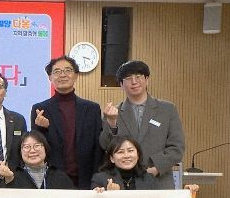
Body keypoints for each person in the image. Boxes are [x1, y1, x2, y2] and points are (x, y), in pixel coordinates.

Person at [100, 60, 185, 190]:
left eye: (138, 76)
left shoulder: (167, 109)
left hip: (159, 182)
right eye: (128, 78)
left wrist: (156, 168)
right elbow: (105, 146)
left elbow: (177, 147)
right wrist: (111, 123)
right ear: (121, 84)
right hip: (124, 183)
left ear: (147, 80)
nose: (134, 81)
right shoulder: (113, 113)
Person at [31, 56, 103, 189]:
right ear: (50, 77)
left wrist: (97, 179)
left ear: (76, 75)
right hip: (53, 180)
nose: (62, 75)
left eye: (68, 70)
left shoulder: (92, 109)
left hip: (86, 180)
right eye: (57, 71)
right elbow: (36, 148)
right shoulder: (40, 109)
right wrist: (42, 129)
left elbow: (98, 148)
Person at [0, 131, 74, 189]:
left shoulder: (60, 177)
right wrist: (9, 180)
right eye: (27, 147)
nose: (32, 151)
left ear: (45, 148)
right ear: (20, 152)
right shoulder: (13, 176)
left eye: (37, 146)